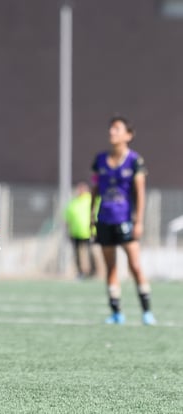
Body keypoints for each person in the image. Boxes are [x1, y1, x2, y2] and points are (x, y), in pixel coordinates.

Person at [90, 115, 156, 325]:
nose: (112, 132)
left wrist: (138, 221)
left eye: (117, 129)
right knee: (110, 268)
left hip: (125, 220)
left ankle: (146, 312)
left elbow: (140, 193)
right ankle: (116, 312)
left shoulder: (134, 161)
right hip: (104, 220)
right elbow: (95, 189)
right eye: (111, 128)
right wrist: (92, 217)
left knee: (135, 266)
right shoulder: (100, 160)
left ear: (128, 135)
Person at [64, 181, 97, 279]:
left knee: (91, 252)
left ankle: (93, 272)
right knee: (78, 254)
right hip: (76, 232)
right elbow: (68, 217)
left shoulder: (91, 199)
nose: (80, 190)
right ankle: (81, 272)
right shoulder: (73, 202)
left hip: (89, 231)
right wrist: (68, 230)